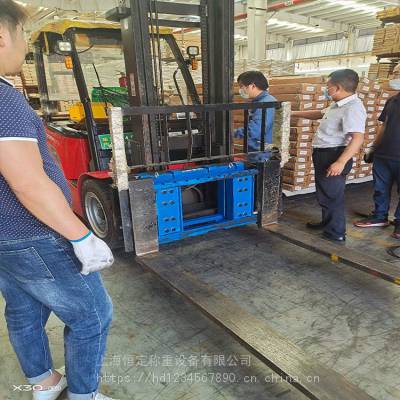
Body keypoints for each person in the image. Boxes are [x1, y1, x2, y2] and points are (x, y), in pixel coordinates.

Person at [0, 1, 115, 399]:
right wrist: (81, 236)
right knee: (92, 315)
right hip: (32, 233)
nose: (25, 44)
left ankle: (44, 383)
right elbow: (28, 183)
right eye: (23, 34)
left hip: (4, 237)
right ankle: (84, 395)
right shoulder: (3, 100)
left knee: (23, 308)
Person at [292, 69, 367, 242]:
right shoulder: (338, 104)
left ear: (338, 87)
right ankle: (327, 222)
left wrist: (340, 162)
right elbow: (319, 114)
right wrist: (292, 113)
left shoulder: (352, 108)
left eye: (328, 86)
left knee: (332, 196)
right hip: (324, 154)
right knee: (325, 193)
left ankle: (336, 233)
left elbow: (358, 138)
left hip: (334, 154)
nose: (326, 90)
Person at [354, 64, 400, 239]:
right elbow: (384, 125)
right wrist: (374, 146)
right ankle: (380, 216)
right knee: (380, 188)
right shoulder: (392, 101)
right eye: (394, 73)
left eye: (397, 73)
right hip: (383, 154)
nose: (393, 77)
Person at [234, 70, 277, 161]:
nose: (241, 90)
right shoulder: (259, 102)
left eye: (241, 86)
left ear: (252, 86)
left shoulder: (265, 103)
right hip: (256, 152)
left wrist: (232, 132)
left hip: (262, 154)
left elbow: (255, 130)